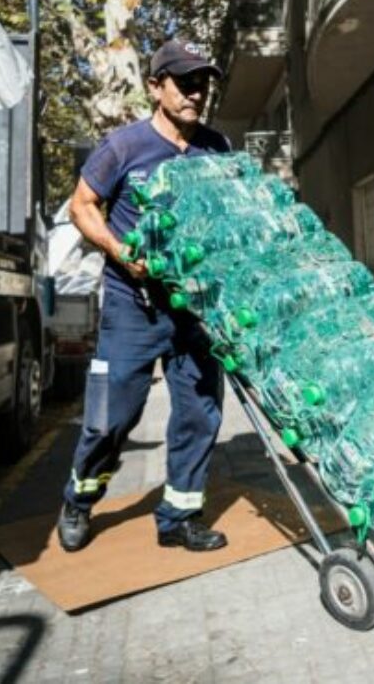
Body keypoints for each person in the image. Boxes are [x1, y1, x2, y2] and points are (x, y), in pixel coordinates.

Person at [55, 38, 231, 553]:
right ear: (156, 87)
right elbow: (82, 206)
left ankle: (179, 517)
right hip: (134, 306)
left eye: (203, 83)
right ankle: (79, 499)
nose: (197, 92)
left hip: (195, 308)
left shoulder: (216, 149)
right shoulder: (125, 147)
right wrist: (116, 247)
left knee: (199, 412)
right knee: (111, 416)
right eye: (185, 82)